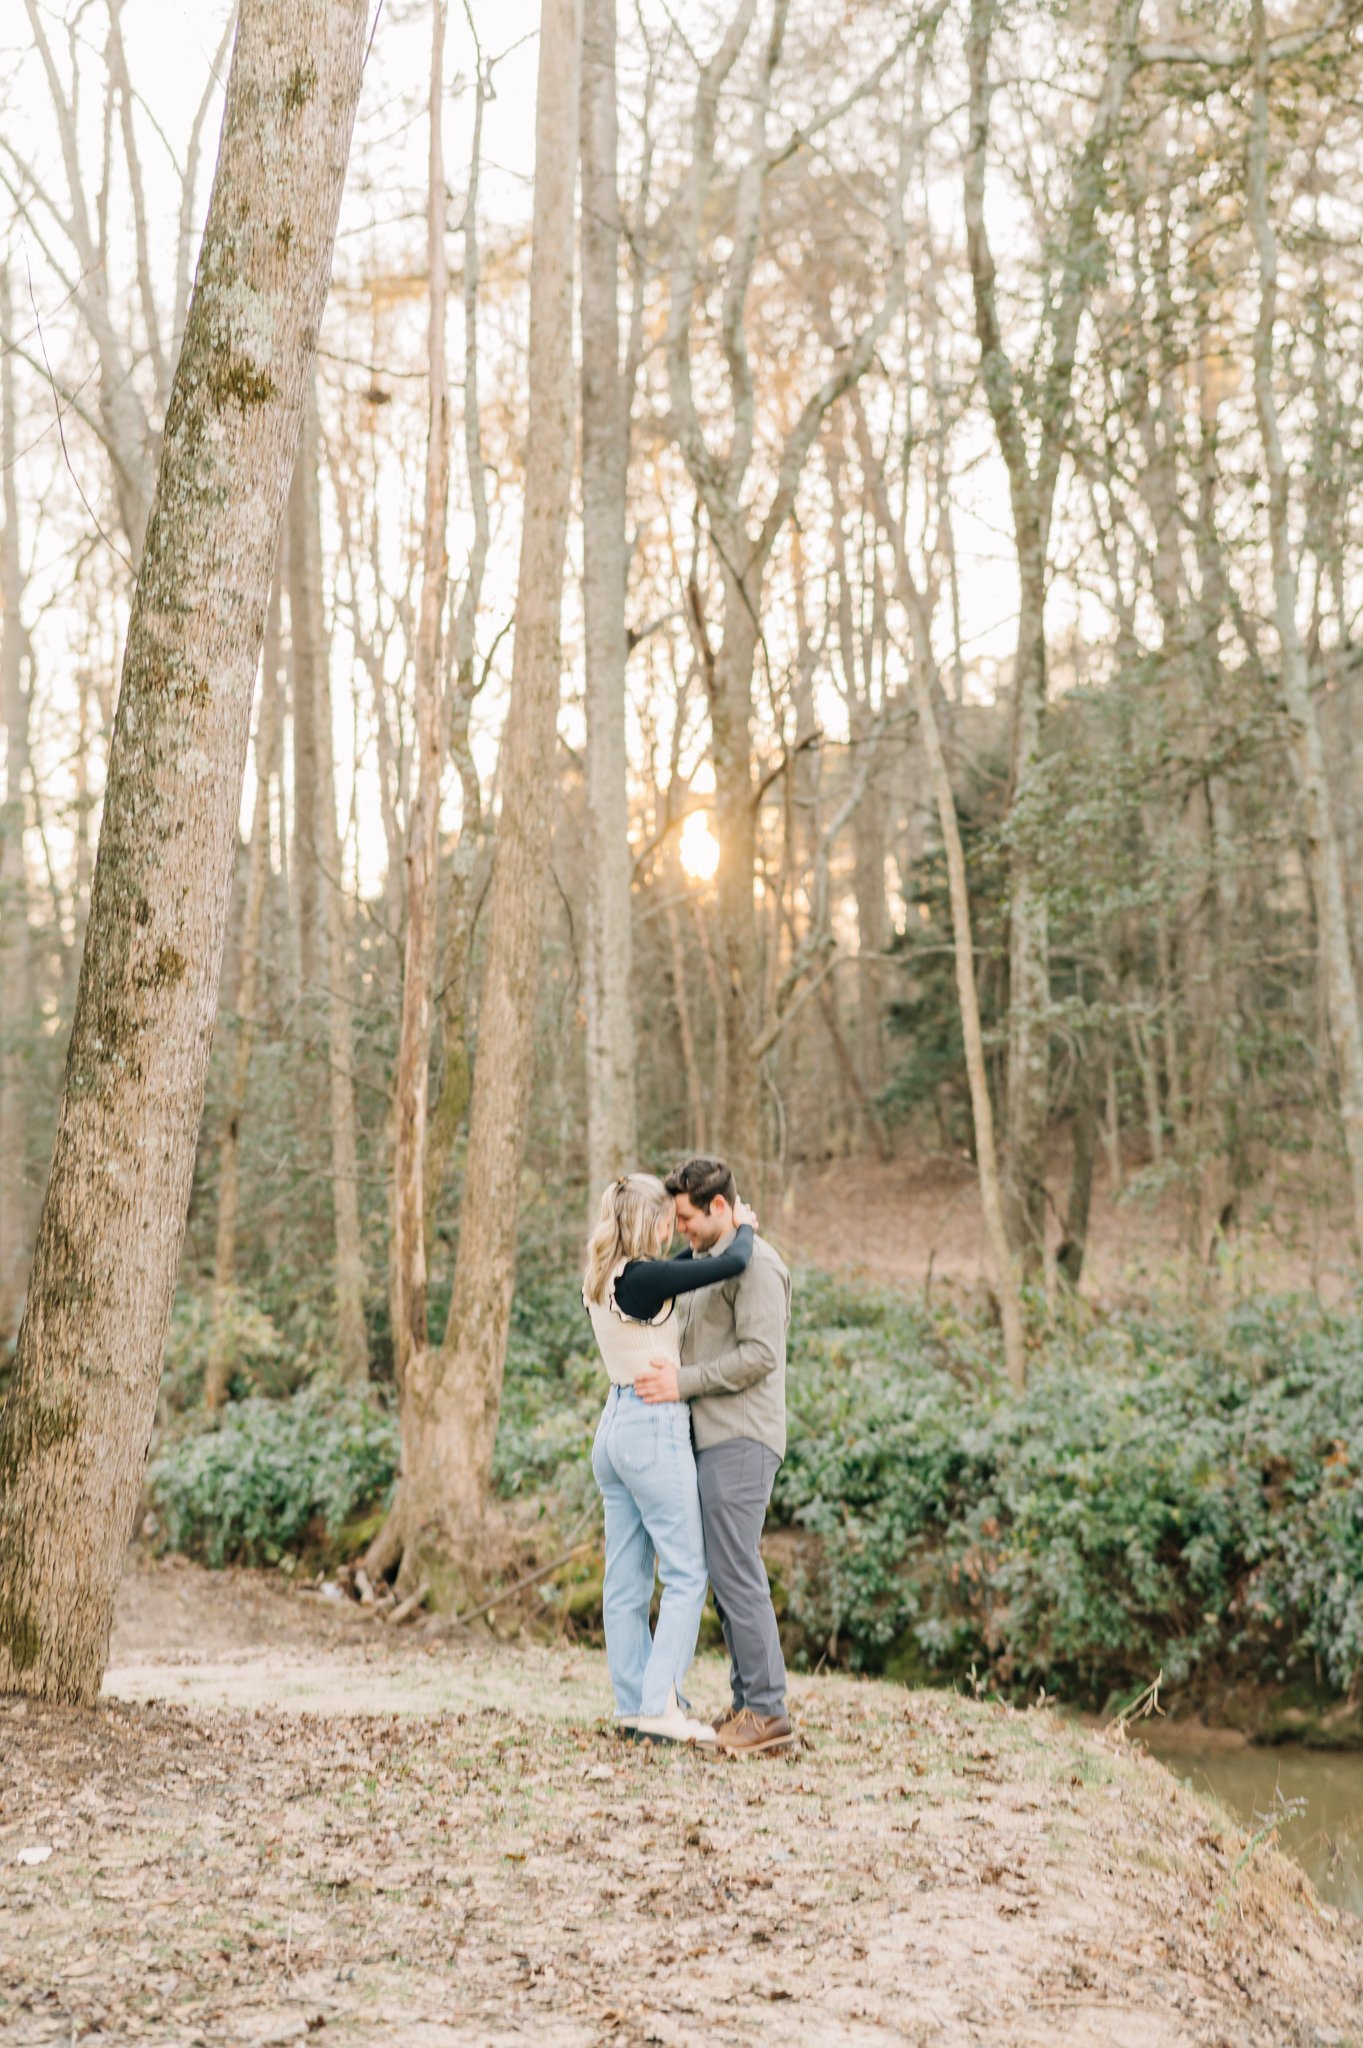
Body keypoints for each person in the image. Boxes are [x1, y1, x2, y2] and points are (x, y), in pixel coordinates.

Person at [583, 1172, 758, 1746]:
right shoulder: (646, 1276)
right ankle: (659, 1704)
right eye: (670, 1221)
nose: (675, 1230)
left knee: (626, 1580)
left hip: (612, 1428)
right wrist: (744, 1231)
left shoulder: (605, 1276)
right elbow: (723, 1266)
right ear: (655, 1222)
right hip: (650, 1428)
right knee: (687, 1571)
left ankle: (634, 1704)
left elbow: (682, 1267)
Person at [636, 1156, 794, 1757]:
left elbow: (759, 1354)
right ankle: (749, 1701)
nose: (682, 1230)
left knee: (737, 1574)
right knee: (726, 1577)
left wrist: (683, 1381)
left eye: (687, 1219)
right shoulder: (710, 1263)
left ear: (719, 1208)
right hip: (715, 1440)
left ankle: (768, 1712)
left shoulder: (758, 1267)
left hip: (743, 1438)